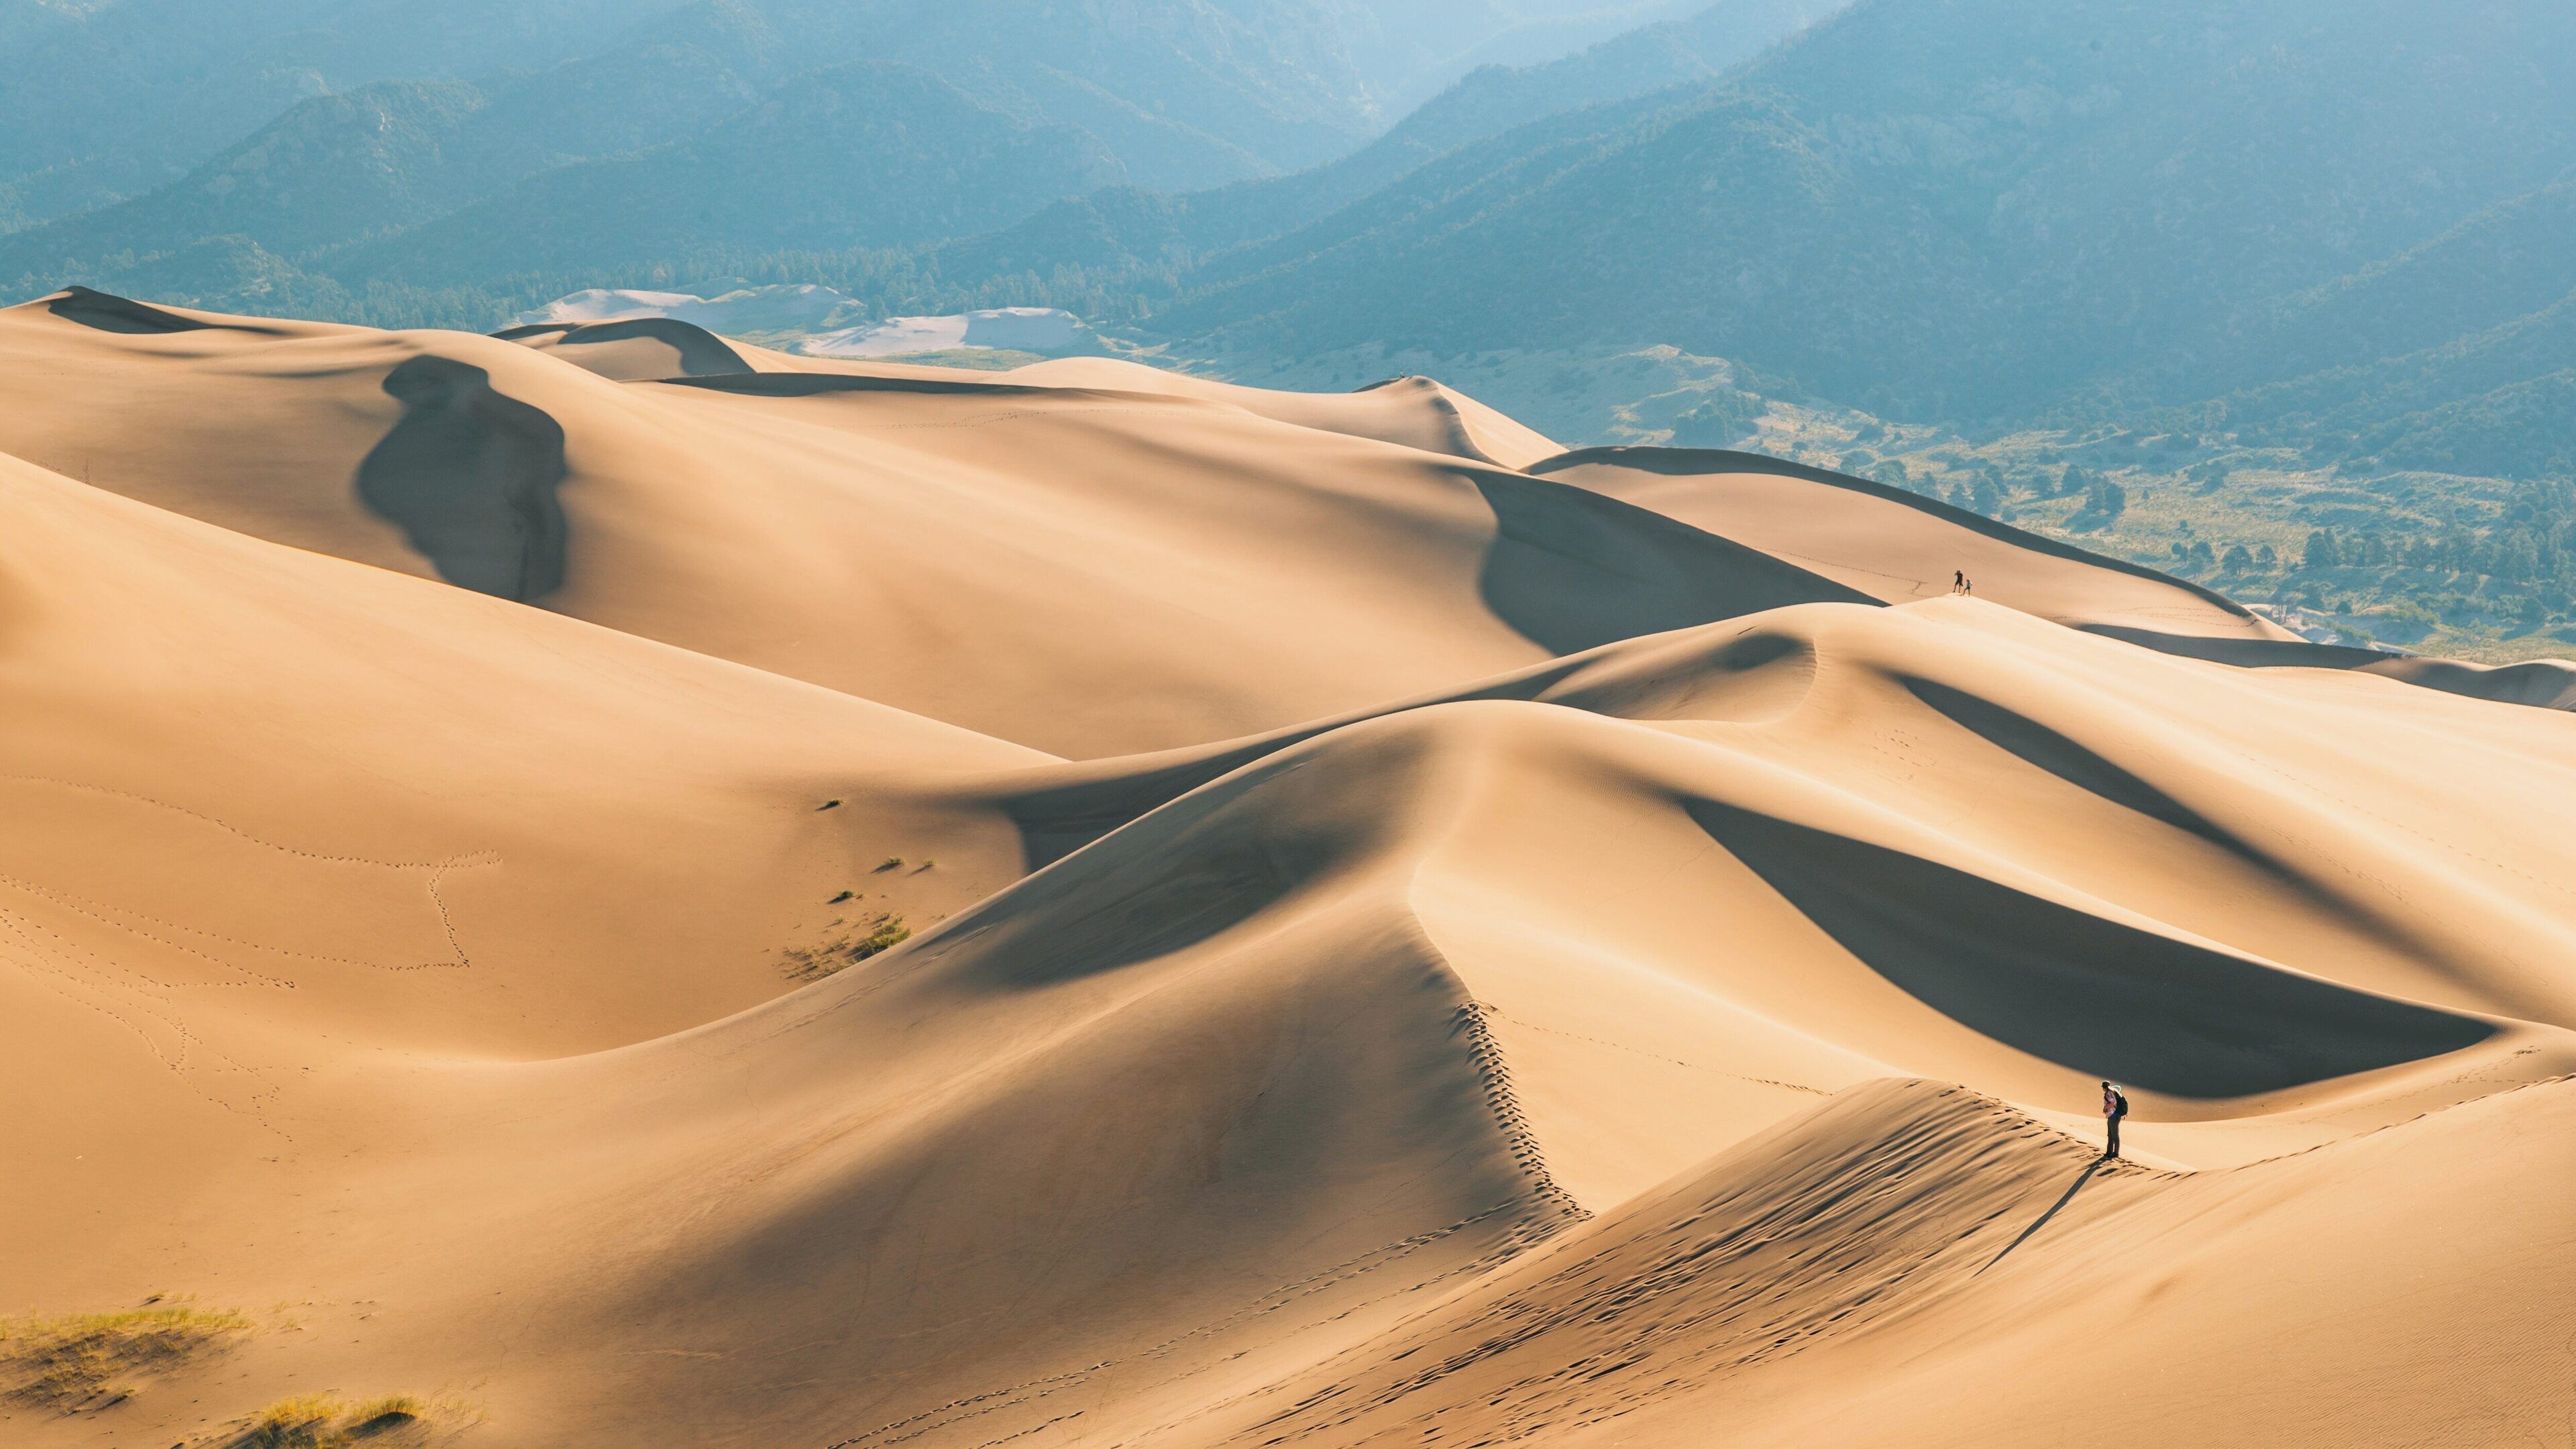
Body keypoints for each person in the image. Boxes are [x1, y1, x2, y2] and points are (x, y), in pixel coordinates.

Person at [2100, 1080, 2130, 1159]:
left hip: (2114, 1116)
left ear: (2104, 1087)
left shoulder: (2109, 1093)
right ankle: (2109, 1152)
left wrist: (2106, 1107)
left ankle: (2115, 1153)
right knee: (2110, 1135)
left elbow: (2114, 1102)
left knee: (2114, 1136)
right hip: (2112, 1116)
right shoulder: (2112, 1092)